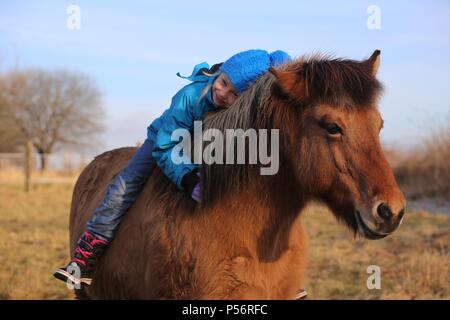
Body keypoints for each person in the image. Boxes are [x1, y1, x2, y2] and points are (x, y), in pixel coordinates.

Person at [53, 49, 292, 287]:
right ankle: (85, 258)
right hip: (165, 141)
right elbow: (166, 144)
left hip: (208, 147)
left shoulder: (241, 111)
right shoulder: (190, 96)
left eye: (233, 94)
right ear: (220, 73)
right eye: (223, 82)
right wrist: (189, 179)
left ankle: (279, 276)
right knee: (125, 185)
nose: (222, 93)